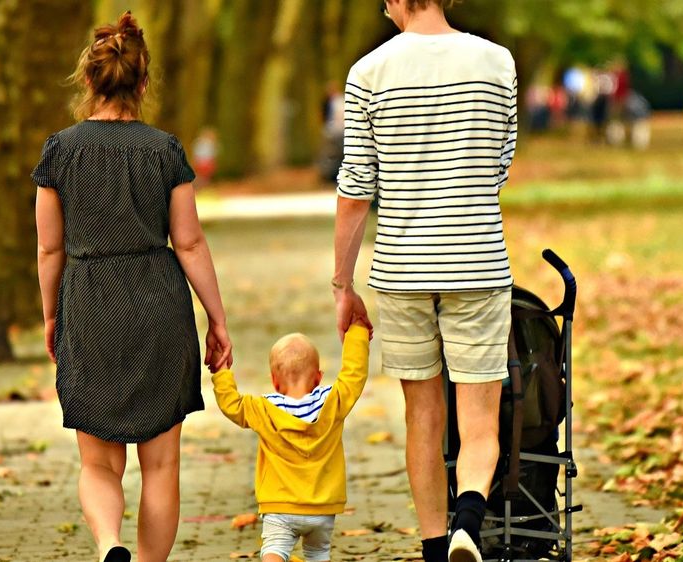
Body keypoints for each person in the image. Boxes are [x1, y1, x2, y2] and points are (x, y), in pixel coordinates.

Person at [32, 12, 233, 562]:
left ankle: (109, 545)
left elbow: (50, 249)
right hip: (157, 305)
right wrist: (217, 319)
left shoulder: (59, 153)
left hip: (90, 300)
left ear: (88, 81)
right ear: (143, 83)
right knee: (161, 466)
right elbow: (189, 243)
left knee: (98, 463)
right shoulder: (164, 151)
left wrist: (51, 315)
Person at [332, 1, 517, 561]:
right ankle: (469, 521)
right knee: (480, 419)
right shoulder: (497, 62)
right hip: (478, 263)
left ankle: (436, 547)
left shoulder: (369, 74)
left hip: (402, 269)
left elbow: (356, 190)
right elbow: (500, 166)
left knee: (422, 417)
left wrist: (343, 284)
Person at [211, 325, 371, 562]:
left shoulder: (263, 410)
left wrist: (221, 370)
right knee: (317, 553)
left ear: (274, 382)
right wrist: (357, 332)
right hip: (323, 508)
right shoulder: (332, 403)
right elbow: (353, 376)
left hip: (280, 506)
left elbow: (232, 405)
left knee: (274, 548)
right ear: (318, 377)